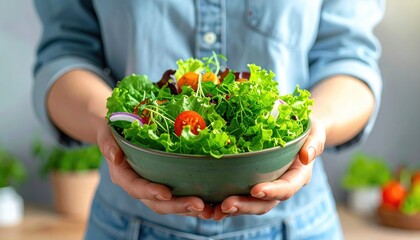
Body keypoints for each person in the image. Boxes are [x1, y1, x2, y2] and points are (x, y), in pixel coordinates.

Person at [33, 1, 384, 239]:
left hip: (298, 225)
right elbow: (65, 53)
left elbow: (349, 60)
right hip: (126, 224)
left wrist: (312, 128)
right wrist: (110, 124)